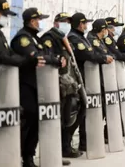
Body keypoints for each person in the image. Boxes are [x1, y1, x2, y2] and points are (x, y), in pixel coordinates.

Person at [11, 7, 66, 167]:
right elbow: (37, 56)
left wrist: (55, 58)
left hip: (37, 84)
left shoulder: (34, 37)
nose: (39, 22)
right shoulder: (23, 38)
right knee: (29, 118)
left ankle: (29, 155)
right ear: (32, 20)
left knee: (36, 120)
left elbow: (46, 55)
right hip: (24, 84)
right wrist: (53, 60)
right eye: (38, 20)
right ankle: (21, 156)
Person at [0, 0, 45, 143]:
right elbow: (0, 56)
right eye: (2, 14)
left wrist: (23, 60)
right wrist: (26, 60)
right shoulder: (20, 36)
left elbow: (9, 54)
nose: (5, 18)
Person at [41, 12, 82, 160]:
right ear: (56, 22)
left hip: (69, 84)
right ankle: (57, 151)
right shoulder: (49, 38)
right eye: (63, 21)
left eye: (68, 21)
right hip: (57, 86)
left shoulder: (63, 38)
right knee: (60, 119)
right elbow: (48, 57)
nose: (66, 24)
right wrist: (57, 59)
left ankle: (64, 147)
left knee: (70, 116)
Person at [67, 13, 111, 151]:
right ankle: (68, 144)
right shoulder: (74, 38)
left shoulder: (81, 38)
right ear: (80, 24)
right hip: (78, 79)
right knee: (78, 113)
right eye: (85, 23)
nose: (86, 26)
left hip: (86, 78)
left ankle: (83, 142)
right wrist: (103, 58)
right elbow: (86, 54)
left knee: (84, 112)